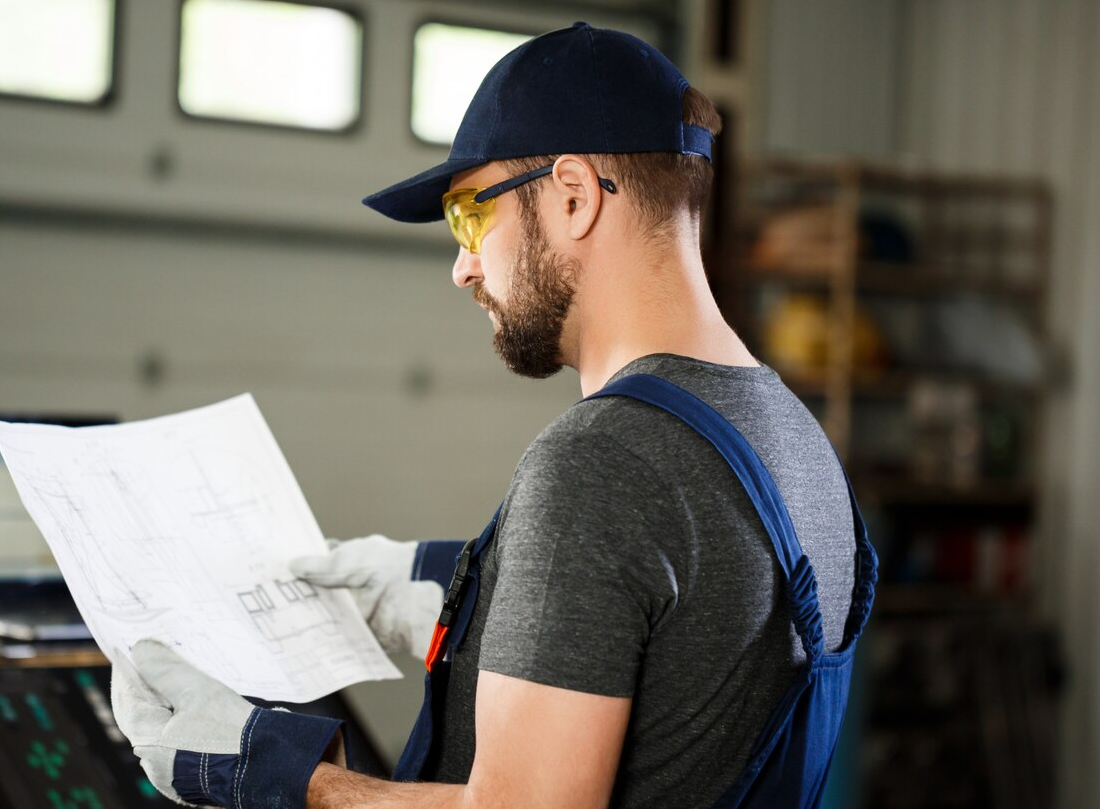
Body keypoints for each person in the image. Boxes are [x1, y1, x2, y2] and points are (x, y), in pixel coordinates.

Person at [110, 21, 877, 809]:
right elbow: (682, 631)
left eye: (471, 215)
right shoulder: (797, 439)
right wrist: (460, 589)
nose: (462, 266)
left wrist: (275, 772)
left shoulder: (600, 460)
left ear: (575, 196)